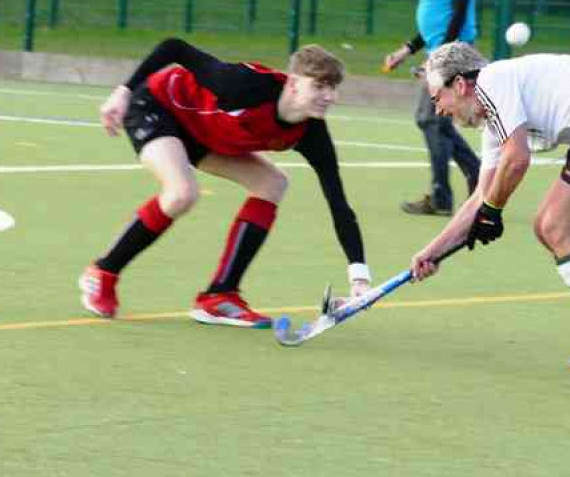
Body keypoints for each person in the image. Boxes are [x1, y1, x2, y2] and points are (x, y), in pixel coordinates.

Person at [407, 42, 570, 371]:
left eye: (437, 98)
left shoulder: (491, 81)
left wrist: (492, 211)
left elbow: (517, 161)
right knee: (546, 226)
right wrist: (432, 251)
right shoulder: (495, 120)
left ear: (459, 85)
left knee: (556, 226)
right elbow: (481, 197)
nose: (438, 110)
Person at [79, 37, 371, 328]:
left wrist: (359, 277)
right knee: (182, 193)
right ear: (293, 84)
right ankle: (103, 273)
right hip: (158, 106)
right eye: (319, 86)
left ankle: (219, 296)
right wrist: (123, 91)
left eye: (332, 87)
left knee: (272, 183)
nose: (329, 96)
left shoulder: (312, 132)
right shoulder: (242, 84)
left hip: (205, 133)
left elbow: (338, 204)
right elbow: (175, 48)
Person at [383, 0, 480, 217]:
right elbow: (434, 19)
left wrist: (441, 58)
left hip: (454, 52)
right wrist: (407, 50)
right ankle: (475, 176)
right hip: (440, 51)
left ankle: (443, 196)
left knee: (430, 119)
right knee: (434, 121)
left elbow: (458, 15)